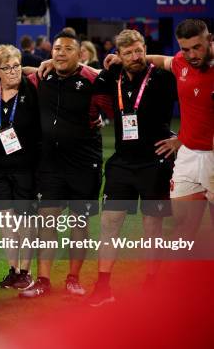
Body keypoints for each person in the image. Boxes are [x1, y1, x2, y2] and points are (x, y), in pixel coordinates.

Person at [105, 19, 213, 249]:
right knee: (182, 224)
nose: (192, 54)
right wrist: (121, 59)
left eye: (197, 47)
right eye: (185, 49)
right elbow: (159, 60)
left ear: (210, 40)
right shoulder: (180, 63)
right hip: (189, 155)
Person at [19, 31, 112, 298]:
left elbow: (117, 103)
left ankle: (73, 278)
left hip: (84, 162)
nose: (60, 52)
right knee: (47, 220)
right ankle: (43, 280)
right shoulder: (41, 77)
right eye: (57, 48)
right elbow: (14, 70)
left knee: (79, 223)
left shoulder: (92, 79)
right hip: (49, 162)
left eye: (67, 49)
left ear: (80, 55)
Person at [88, 29, 177, 307]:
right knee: (109, 225)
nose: (135, 57)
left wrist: (182, 138)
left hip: (155, 162)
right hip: (122, 164)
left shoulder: (163, 76)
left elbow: (197, 99)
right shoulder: (112, 75)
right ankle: (103, 287)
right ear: (119, 55)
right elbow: (84, 79)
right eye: (128, 53)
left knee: (152, 229)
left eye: (139, 51)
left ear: (145, 49)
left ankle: (151, 284)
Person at [0, 45, 39, 290]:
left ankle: (26, 270)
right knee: (6, 220)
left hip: (26, 165)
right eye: (7, 68)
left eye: (17, 66)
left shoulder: (32, 89)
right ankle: (13, 270)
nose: (13, 72)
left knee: (25, 221)